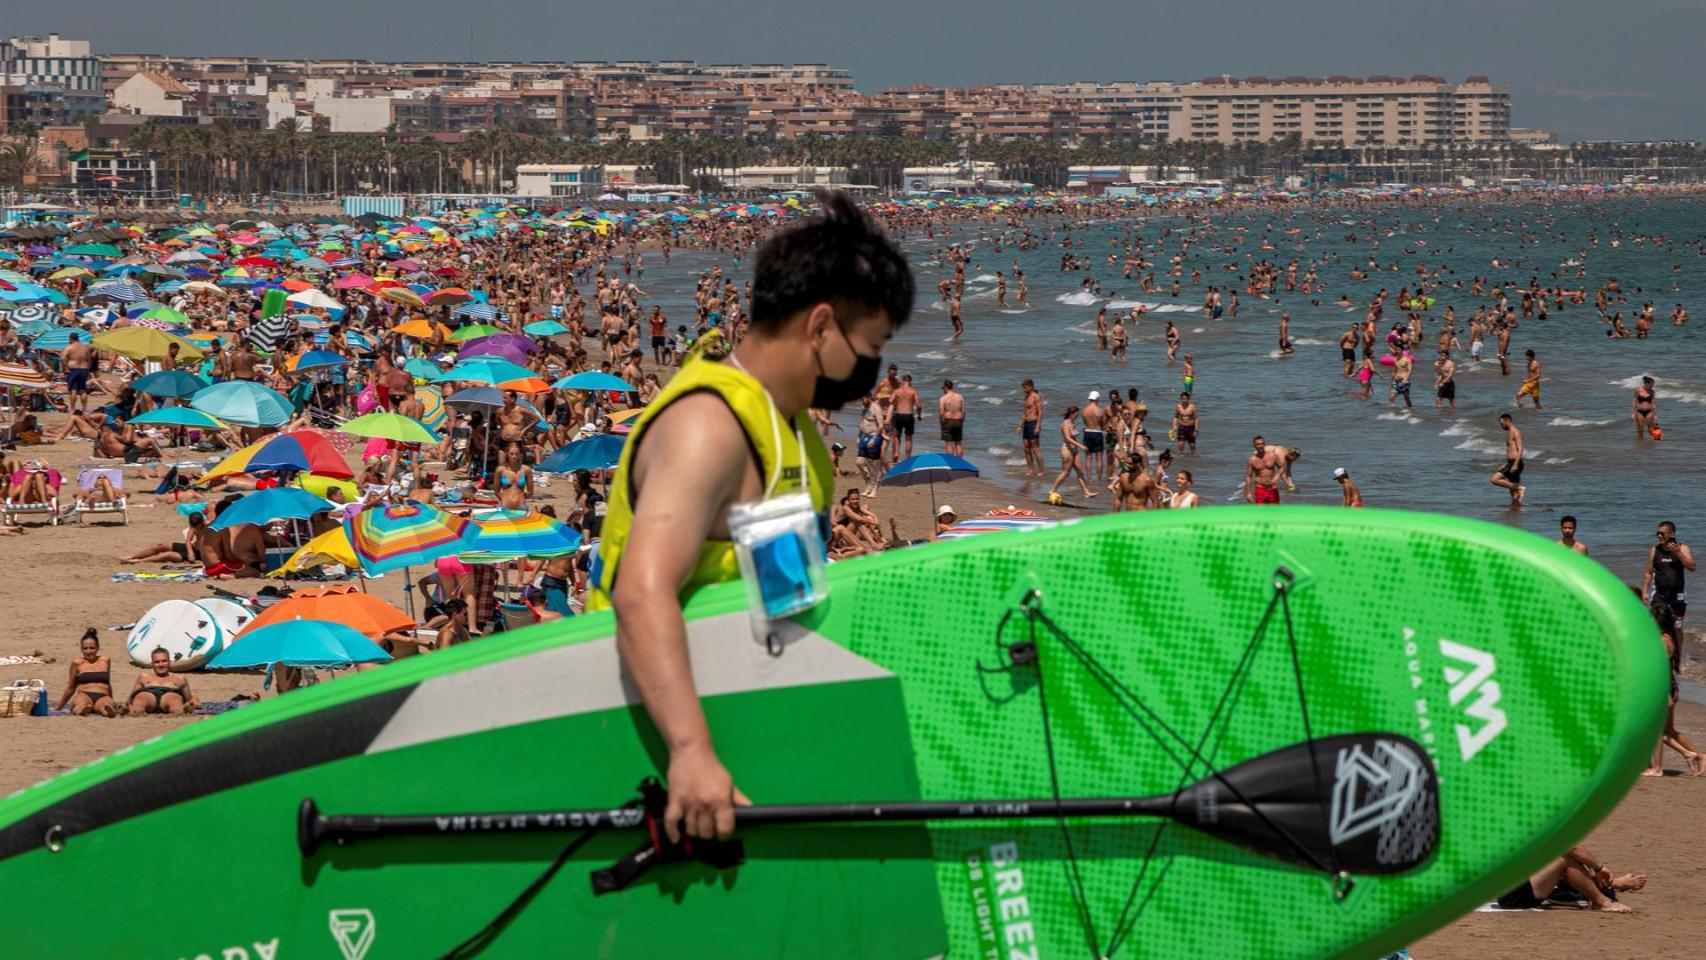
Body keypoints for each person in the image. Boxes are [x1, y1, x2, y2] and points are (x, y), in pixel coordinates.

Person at [588, 191, 912, 844]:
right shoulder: (710, 426)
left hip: (746, 709)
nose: (870, 372)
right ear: (820, 327)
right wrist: (689, 751)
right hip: (639, 728)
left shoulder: (790, 427)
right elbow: (641, 590)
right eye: (869, 345)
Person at [1641, 598, 1703, 777]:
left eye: (1650, 618)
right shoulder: (1665, 638)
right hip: (1666, 687)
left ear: (1656, 620)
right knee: (1662, 730)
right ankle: (1690, 754)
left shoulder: (1663, 641)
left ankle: (1657, 768)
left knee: (1656, 730)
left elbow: (1659, 670)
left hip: (1662, 689)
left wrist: (1664, 694)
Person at [1495, 845, 1643, 913]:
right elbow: (1571, 848)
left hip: (1512, 889)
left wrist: (1595, 867)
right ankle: (1602, 902)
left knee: (1577, 861)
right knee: (1566, 859)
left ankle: (1612, 885)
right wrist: (1599, 868)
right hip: (1515, 896)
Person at [56, 628, 116, 717]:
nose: (88, 651)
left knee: (105, 705)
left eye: (92, 648)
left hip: (103, 695)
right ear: (81, 649)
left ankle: (106, 711)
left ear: (98, 647)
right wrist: (59, 707)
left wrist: (111, 699)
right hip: (84, 694)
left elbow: (108, 683)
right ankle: (82, 710)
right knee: (81, 704)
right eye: (85, 648)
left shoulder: (105, 660)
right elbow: (71, 688)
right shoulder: (77, 663)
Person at [1643, 521, 1693, 624]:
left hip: (1678, 595)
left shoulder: (1683, 548)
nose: (1660, 536)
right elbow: (1648, 572)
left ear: (1672, 534)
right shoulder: (1655, 550)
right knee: (1657, 626)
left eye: (1663, 533)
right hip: (1659, 596)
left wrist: (1678, 553)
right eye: (1658, 533)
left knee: (1677, 627)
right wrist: (1645, 592)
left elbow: (1692, 567)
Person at [127, 647, 198, 715]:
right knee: (140, 700)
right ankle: (135, 711)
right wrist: (127, 704)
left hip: (170, 695)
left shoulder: (179, 678)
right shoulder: (144, 676)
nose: (161, 664)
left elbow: (189, 698)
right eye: (157, 662)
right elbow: (131, 698)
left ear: (169, 662)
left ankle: (180, 710)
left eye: (164, 661)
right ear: (152, 664)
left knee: (175, 701)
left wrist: (194, 700)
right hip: (147, 695)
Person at [1046, 405, 1096, 502]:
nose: (1077, 416)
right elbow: (1068, 438)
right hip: (1067, 449)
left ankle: (1086, 492)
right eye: (1076, 414)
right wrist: (1080, 446)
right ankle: (1053, 490)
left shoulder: (1072, 423)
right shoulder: (1065, 423)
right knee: (1066, 472)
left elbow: (1073, 436)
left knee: (1079, 471)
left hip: (1074, 450)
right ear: (1072, 414)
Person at [1490, 413, 1525, 507]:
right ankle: (1516, 511)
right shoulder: (1510, 433)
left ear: (1508, 421)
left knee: (1494, 479)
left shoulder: (1516, 432)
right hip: (1511, 463)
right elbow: (1511, 450)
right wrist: (1507, 464)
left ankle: (1520, 488)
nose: (1501, 426)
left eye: (1502, 424)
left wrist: (1515, 464)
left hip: (1515, 464)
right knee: (1513, 494)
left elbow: (1520, 449)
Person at [63, 332, 94, 416]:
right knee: (83, 390)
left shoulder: (69, 347)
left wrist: (65, 368)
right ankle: (84, 409)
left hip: (73, 369)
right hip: (84, 369)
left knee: (73, 389)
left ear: (71, 339)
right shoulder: (85, 347)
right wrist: (88, 369)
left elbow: (63, 358)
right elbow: (89, 359)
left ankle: (72, 408)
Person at [1017, 379, 1043, 477]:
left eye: (1025, 387)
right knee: (1026, 448)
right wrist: (1020, 426)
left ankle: (1041, 470)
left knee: (1035, 448)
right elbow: (1025, 413)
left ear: (1030, 386)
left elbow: (1040, 411)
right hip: (1026, 424)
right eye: (1023, 387)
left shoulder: (1035, 397)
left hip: (1033, 423)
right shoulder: (1026, 397)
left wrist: (1038, 425)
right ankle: (1030, 470)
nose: (1023, 389)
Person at [890, 373, 919, 463]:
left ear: (903, 381)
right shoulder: (913, 391)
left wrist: (897, 403)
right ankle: (907, 458)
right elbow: (918, 405)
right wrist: (919, 415)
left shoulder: (897, 391)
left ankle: (896, 453)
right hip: (908, 415)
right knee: (908, 438)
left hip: (898, 415)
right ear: (910, 382)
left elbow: (891, 401)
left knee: (897, 436)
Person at [1245, 436, 1281, 505]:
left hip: (1272, 489)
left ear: (1264, 444)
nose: (1260, 446)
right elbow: (1249, 476)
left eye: (1262, 444)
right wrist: (1248, 493)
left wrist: (1277, 476)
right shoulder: (1252, 460)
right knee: (1260, 514)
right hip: (1260, 489)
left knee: (1275, 513)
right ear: (1254, 446)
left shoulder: (1273, 455)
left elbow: (1282, 467)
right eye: (1258, 444)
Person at [938, 380, 965, 457]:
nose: (943, 390)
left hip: (948, 421)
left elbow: (941, 413)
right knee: (958, 443)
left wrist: (941, 423)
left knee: (949, 443)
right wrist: (962, 421)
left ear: (946, 387)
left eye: (943, 389)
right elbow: (963, 412)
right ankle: (959, 462)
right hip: (958, 421)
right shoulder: (960, 397)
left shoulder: (943, 398)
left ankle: (951, 462)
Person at [1631, 376, 1657, 441]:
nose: (1652, 386)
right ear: (1646, 384)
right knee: (1640, 429)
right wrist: (1633, 413)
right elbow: (1634, 401)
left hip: (1649, 411)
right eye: (1651, 385)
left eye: (1653, 385)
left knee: (1651, 428)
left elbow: (1653, 403)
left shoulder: (1652, 392)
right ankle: (1641, 442)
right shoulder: (1638, 390)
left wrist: (1655, 414)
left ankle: (1653, 441)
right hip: (1639, 411)